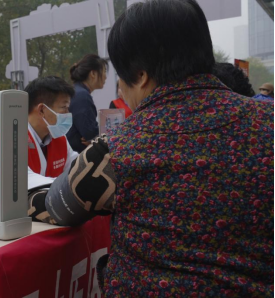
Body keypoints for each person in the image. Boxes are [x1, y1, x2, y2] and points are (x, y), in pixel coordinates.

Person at [34, 0, 274, 296]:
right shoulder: (268, 122)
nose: (120, 89)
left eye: (120, 79)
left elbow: (58, 207)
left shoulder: (116, 149)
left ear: (141, 75)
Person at [26, 76, 79, 178]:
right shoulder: (15, 140)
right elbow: (26, 180)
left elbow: (75, 169)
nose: (68, 114)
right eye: (64, 107)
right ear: (41, 110)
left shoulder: (59, 138)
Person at [66, 54, 108, 153]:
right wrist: (97, 135)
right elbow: (90, 133)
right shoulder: (82, 96)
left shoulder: (77, 91)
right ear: (93, 74)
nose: (106, 77)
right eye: (104, 71)